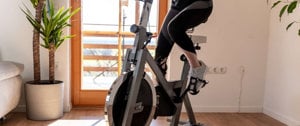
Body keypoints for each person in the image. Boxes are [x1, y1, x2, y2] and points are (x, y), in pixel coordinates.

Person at [154, 0, 213, 94]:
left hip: (200, 5)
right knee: (159, 58)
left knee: (173, 28)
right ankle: (161, 92)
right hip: (178, 6)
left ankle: (197, 68)